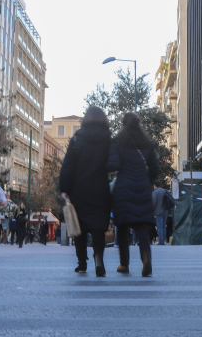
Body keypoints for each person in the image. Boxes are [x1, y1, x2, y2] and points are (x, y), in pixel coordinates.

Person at [59, 106, 113, 275]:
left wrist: (64, 188)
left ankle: (82, 263)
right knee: (98, 227)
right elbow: (112, 163)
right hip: (100, 188)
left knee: (79, 227)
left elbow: (68, 164)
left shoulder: (77, 139)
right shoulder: (107, 139)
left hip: (79, 189)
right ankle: (99, 259)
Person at [107, 112, 160, 277]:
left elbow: (113, 164)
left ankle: (124, 264)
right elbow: (155, 168)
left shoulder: (117, 141)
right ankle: (146, 258)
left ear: (123, 124)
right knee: (141, 225)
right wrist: (146, 181)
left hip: (123, 187)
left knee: (122, 227)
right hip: (142, 187)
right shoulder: (147, 143)